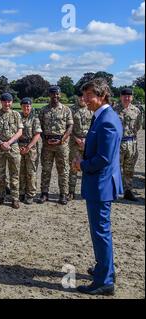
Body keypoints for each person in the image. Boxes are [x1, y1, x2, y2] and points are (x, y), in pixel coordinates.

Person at [72, 78, 123, 296]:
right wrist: (87, 145)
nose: (85, 99)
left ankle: (105, 281)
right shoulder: (102, 116)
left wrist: (81, 164)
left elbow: (104, 158)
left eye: (89, 95)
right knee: (101, 231)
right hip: (99, 183)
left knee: (100, 232)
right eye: (84, 95)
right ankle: (104, 269)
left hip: (100, 185)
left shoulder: (107, 119)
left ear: (102, 96)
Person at [37, 86, 73, 205]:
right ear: (50, 95)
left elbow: (70, 126)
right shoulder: (43, 110)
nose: (55, 96)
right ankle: (44, 193)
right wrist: (44, 139)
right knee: (46, 170)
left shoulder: (66, 110)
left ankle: (63, 194)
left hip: (62, 145)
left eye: (57, 94)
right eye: (53, 94)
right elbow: (39, 127)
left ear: (60, 94)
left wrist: (62, 139)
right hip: (47, 145)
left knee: (63, 170)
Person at [0, 93, 23, 209]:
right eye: (5, 102)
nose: (7, 104)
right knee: (0, 174)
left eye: (9, 102)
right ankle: (1, 196)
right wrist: (1, 143)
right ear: (1, 102)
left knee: (14, 174)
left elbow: (19, 132)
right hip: (0, 148)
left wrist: (8, 142)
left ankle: (15, 198)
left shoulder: (16, 115)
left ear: (12, 102)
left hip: (13, 147)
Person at [114, 88, 142, 201]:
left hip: (131, 143)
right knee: (116, 168)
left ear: (132, 97)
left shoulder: (137, 111)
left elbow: (138, 127)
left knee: (129, 169)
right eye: (124, 96)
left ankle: (128, 191)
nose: (127, 98)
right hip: (118, 143)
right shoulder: (114, 110)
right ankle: (114, 191)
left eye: (129, 96)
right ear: (120, 97)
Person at [68, 92, 93, 200]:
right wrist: (76, 138)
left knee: (88, 167)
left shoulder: (91, 109)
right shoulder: (71, 110)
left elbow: (95, 126)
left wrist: (87, 139)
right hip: (75, 142)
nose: (82, 98)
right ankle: (71, 191)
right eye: (80, 96)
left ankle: (87, 191)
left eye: (84, 96)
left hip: (89, 143)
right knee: (73, 167)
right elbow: (67, 127)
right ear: (77, 97)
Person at [18, 97, 42, 205]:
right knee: (20, 171)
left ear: (31, 106)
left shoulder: (34, 119)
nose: (26, 108)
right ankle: (21, 192)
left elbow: (37, 135)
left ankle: (30, 194)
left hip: (31, 148)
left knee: (31, 171)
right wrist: (19, 147)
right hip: (19, 146)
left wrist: (28, 147)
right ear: (21, 106)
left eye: (28, 106)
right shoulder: (17, 117)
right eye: (24, 106)